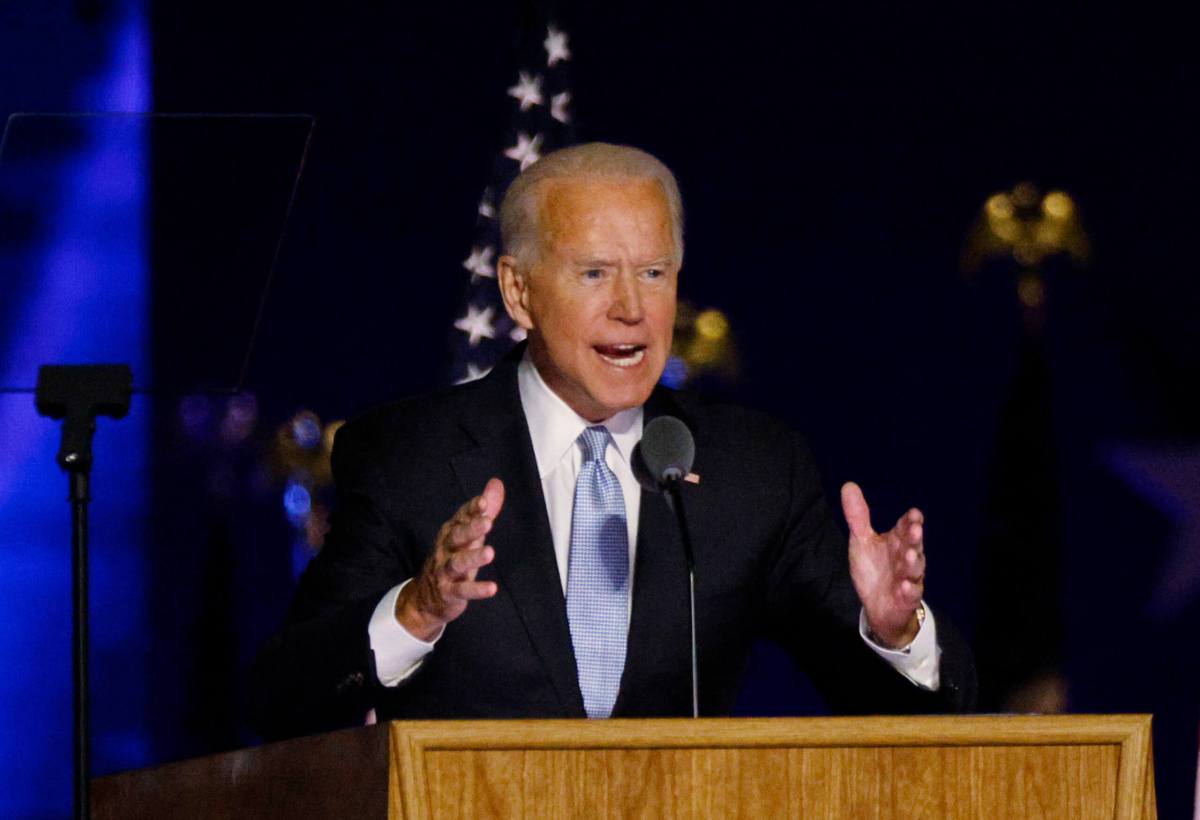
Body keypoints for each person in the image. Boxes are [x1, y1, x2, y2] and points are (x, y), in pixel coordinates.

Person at [252, 143, 976, 740]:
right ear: (517, 291)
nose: (631, 309)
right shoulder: (407, 456)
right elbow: (285, 698)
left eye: (653, 274)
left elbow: (912, 721)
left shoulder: (752, 470)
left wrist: (894, 631)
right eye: (595, 273)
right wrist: (416, 609)